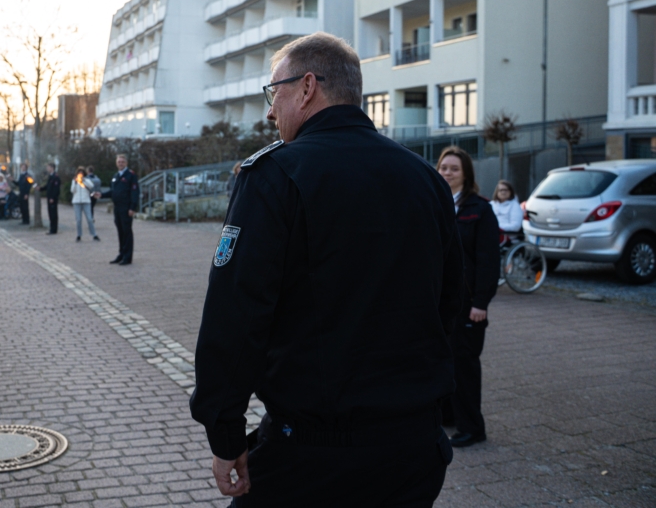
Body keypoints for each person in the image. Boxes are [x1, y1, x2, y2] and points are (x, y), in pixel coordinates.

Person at [189, 32, 462, 505]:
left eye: (274, 93)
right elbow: (450, 302)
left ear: (307, 87)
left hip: (313, 455)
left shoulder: (276, 175)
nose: (270, 112)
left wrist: (225, 432)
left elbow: (236, 317)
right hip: (413, 452)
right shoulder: (424, 179)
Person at [437, 146, 500, 449]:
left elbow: (489, 261)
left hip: (469, 303)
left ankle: (472, 428)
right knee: (444, 362)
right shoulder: (437, 203)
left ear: (466, 174)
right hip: (442, 301)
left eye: (454, 169)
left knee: (465, 366)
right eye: (443, 167)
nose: (447, 173)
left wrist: (481, 303)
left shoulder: (480, 209)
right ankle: (449, 415)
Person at [109, 154, 138, 266]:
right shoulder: (116, 176)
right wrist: (100, 194)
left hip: (126, 208)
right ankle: (121, 254)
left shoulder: (131, 175)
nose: (120, 163)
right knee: (120, 231)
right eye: (119, 162)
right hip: (117, 208)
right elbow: (112, 191)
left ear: (126, 163)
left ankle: (127, 256)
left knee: (127, 232)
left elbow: (134, 192)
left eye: (122, 162)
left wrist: (132, 207)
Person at [71, 166, 100, 242]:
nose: (80, 174)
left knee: (90, 219)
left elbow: (91, 186)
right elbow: (72, 190)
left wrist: (84, 181)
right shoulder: (74, 181)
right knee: (78, 220)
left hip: (86, 201)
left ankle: (94, 234)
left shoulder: (87, 180)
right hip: (76, 202)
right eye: (79, 173)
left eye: (82, 173)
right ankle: (79, 235)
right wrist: (75, 182)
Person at [43, 163, 61, 234]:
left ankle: (54, 229)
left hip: (52, 198)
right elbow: (48, 186)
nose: (47, 168)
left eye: (48, 167)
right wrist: (40, 188)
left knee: (53, 214)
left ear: (52, 168)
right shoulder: (50, 176)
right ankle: (52, 228)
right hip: (49, 198)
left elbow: (56, 189)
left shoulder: (55, 177)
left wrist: (53, 197)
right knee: (50, 213)